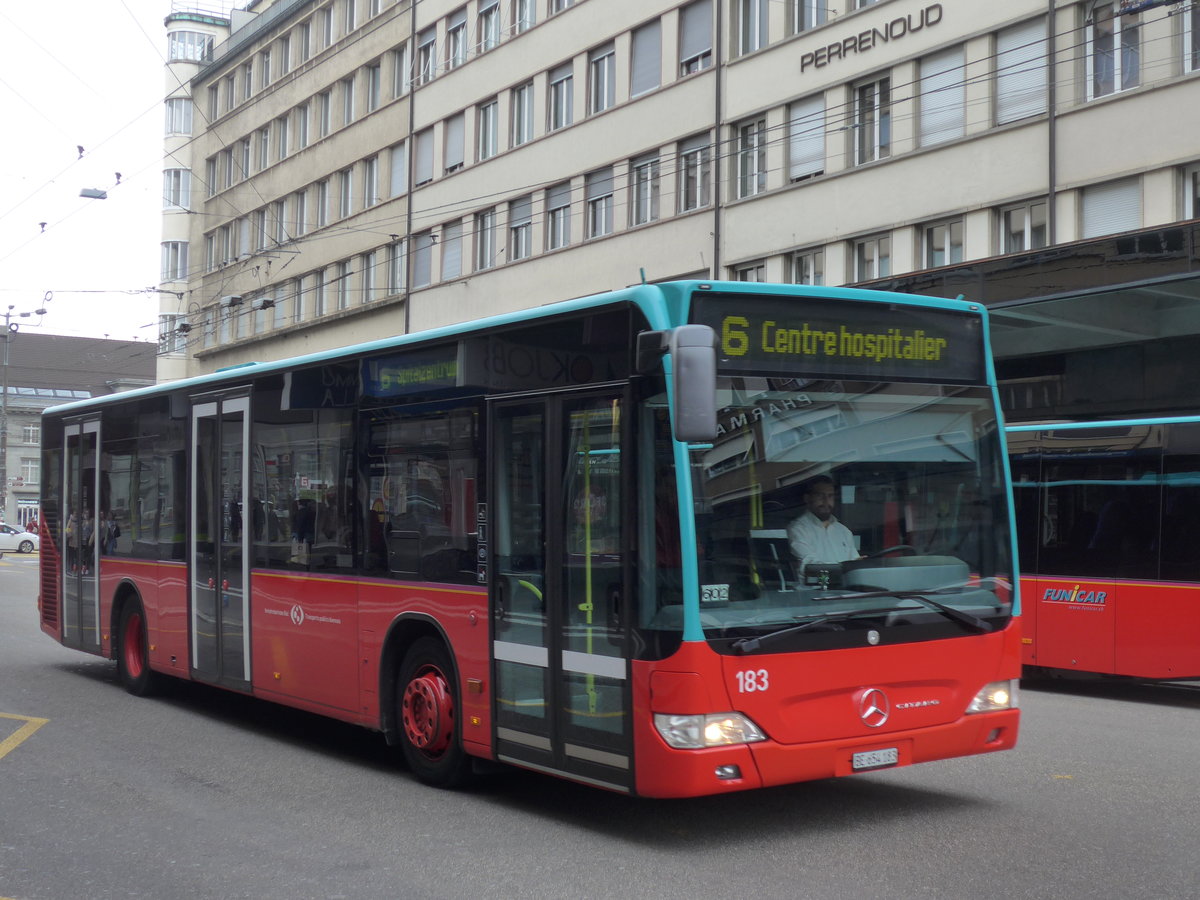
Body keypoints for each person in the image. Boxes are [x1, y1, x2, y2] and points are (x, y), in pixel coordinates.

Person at [787, 475, 861, 579]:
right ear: (807, 498)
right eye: (820, 496)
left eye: (830, 496)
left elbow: (854, 562)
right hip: (813, 592)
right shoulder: (798, 528)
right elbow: (809, 564)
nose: (826, 502)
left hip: (844, 592)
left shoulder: (844, 531)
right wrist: (844, 569)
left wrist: (860, 564)